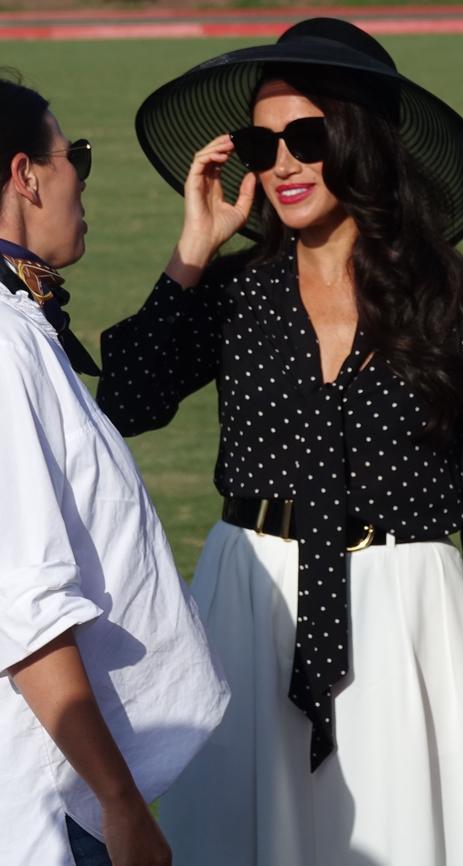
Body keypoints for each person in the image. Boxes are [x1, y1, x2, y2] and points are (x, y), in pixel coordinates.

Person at [96, 17, 463, 866]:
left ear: (361, 138)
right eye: (263, 142)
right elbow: (129, 399)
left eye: (306, 136)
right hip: (250, 600)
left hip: (406, 617)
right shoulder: (232, 292)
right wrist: (191, 251)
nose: (282, 162)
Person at [0, 74, 230, 866]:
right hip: (43, 795)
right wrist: (121, 801)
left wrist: (194, 251)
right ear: (26, 175)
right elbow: (24, 603)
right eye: (77, 157)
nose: (81, 179)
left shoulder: (19, 323)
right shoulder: (4, 343)